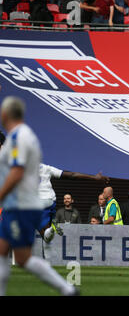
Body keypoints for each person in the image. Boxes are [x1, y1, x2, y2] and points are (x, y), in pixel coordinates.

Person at [0, 96, 78, 296]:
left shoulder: (18, 139)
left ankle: (66, 288)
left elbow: (17, 172)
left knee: (15, 255)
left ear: (6, 114)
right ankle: (67, 289)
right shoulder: (22, 136)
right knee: (14, 254)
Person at [39, 165, 108, 243]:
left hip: (39, 202)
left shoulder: (25, 170)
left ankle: (50, 231)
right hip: (51, 199)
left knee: (42, 232)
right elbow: (72, 175)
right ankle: (51, 228)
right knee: (46, 231)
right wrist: (95, 177)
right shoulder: (46, 167)